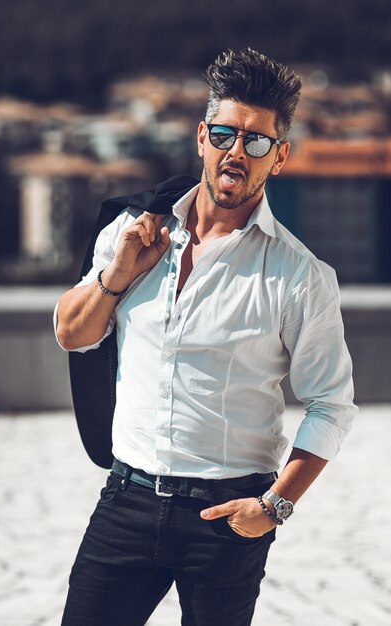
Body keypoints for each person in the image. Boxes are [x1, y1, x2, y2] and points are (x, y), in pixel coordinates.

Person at [55, 48, 357, 626]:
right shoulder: (133, 232)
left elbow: (330, 403)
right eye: (225, 134)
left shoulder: (299, 275)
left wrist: (275, 507)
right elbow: (73, 334)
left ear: (280, 154)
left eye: (257, 141)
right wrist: (117, 277)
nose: (236, 152)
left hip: (227, 517)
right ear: (202, 137)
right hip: (126, 501)